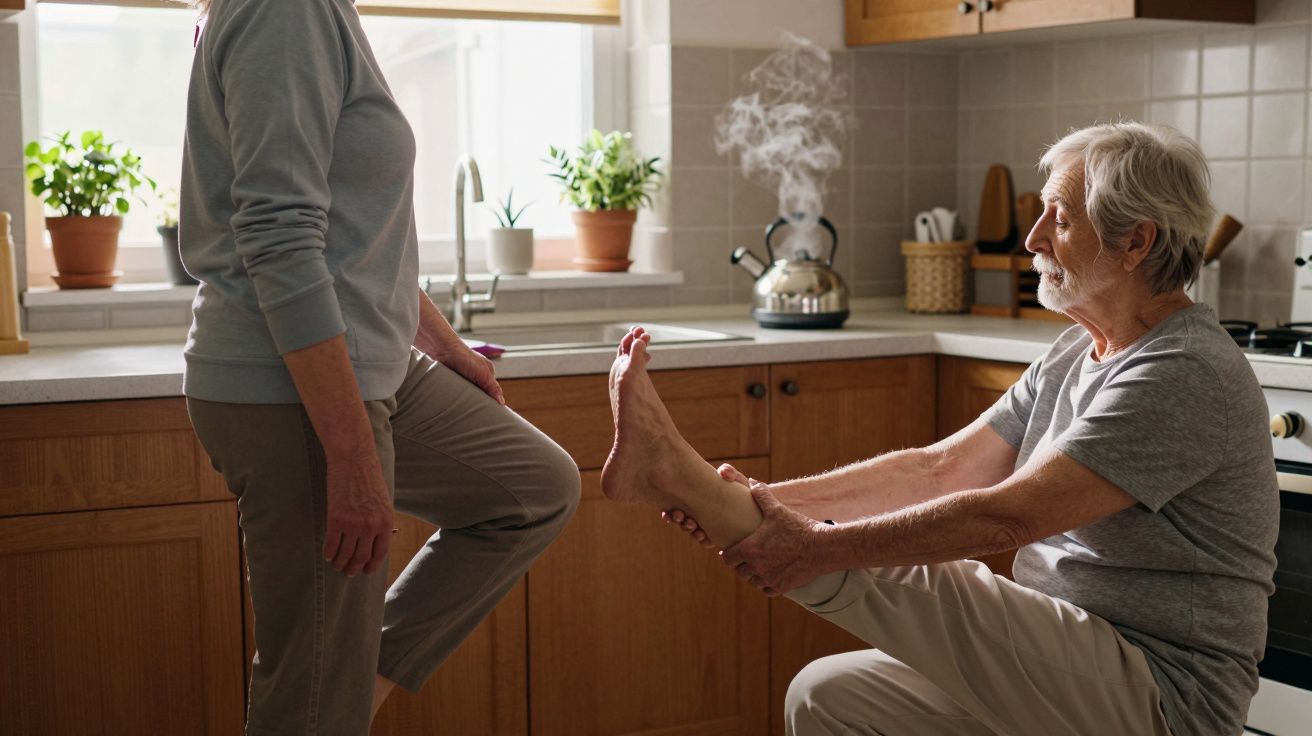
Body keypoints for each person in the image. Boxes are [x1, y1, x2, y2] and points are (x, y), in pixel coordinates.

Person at [600, 122, 1279, 736]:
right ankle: (726, 504)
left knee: (930, 578)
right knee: (829, 696)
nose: (1033, 238)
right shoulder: (1077, 351)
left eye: (1060, 219)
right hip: (1068, 664)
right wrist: (772, 497)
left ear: (1137, 242)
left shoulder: (1183, 371)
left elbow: (1006, 520)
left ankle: (680, 476)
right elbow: (941, 469)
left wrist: (812, 549)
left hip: (1162, 694)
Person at [178, 0, 580, 732]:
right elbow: (278, 233)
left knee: (532, 488)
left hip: (369, 366)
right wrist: (351, 450)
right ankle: (327, 701)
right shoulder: (284, 10)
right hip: (292, 385)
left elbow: (349, 235)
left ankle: (345, 690)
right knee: (308, 684)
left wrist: (445, 345)